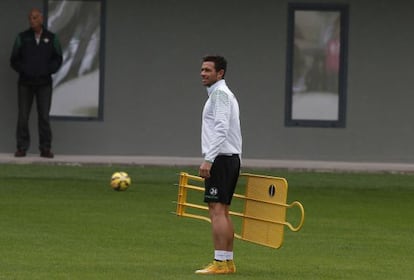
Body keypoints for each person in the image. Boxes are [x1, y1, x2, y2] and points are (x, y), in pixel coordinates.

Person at [196, 55, 242, 275]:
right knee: (222, 211)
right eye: (202, 70)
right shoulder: (219, 94)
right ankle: (227, 262)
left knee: (217, 212)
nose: (203, 73)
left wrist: (209, 159)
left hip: (222, 159)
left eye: (208, 70)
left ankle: (220, 263)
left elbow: (221, 129)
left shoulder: (220, 95)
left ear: (220, 73)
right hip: (227, 158)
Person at [10, 8, 63, 158]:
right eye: (30, 18)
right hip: (25, 84)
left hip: (44, 83)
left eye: (34, 18)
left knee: (44, 117)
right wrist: (24, 70)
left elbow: (58, 58)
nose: (31, 20)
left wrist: (48, 70)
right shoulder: (22, 37)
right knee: (23, 116)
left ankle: (45, 148)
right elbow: (14, 59)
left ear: (41, 19)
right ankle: (21, 147)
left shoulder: (52, 38)